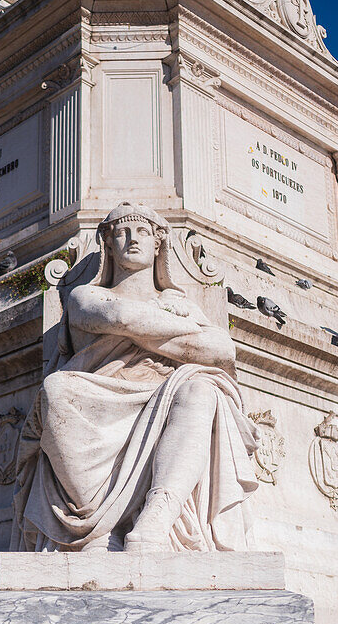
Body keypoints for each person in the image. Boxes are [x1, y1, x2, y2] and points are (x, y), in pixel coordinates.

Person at [13, 202, 260, 552]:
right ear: (107, 245)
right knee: (55, 389)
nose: (132, 239)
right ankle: (97, 526)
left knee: (201, 391)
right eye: (121, 232)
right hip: (97, 393)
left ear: (158, 243)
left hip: (165, 394)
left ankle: (158, 515)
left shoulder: (181, 302)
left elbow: (222, 351)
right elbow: (117, 316)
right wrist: (183, 332)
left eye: (142, 231)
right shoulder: (86, 295)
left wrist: (150, 327)